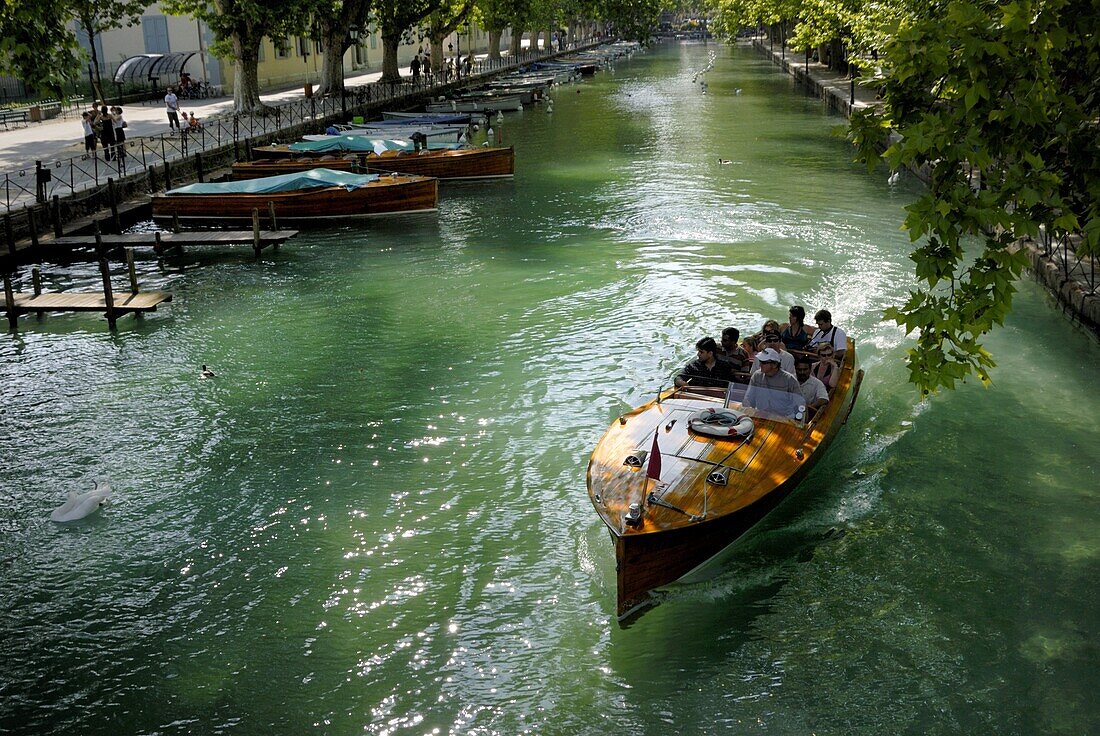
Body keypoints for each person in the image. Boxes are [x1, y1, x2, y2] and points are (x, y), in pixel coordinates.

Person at [743, 348, 803, 418]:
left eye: (764, 362)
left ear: (774, 364)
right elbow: (748, 398)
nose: (760, 365)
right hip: (761, 416)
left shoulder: (789, 379)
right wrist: (749, 410)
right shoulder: (757, 375)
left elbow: (800, 403)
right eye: (760, 361)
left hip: (784, 419)